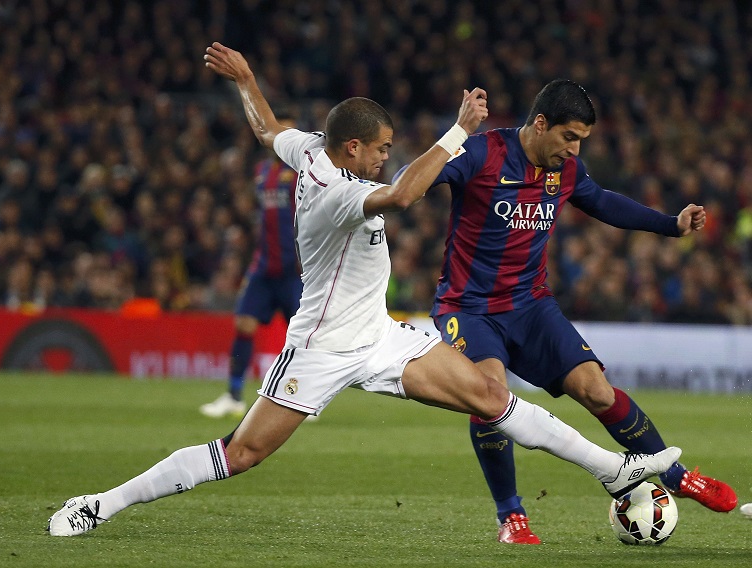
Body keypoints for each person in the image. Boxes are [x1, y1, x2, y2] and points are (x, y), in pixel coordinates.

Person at [47, 44, 681, 538]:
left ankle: (613, 469)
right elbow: (406, 194)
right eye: (380, 150)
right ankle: (100, 504)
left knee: (490, 395)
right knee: (239, 454)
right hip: (322, 346)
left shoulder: (312, 150)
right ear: (353, 149)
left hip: (378, 335)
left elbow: (269, 132)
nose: (386, 157)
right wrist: (458, 131)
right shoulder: (340, 194)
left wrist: (246, 82)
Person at [425, 78, 737, 544]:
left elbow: (605, 203)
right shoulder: (483, 154)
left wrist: (670, 225)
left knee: (598, 391)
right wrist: (452, 136)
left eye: (581, 141)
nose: (573, 150)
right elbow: (415, 180)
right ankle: (511, 515)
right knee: (488, 393)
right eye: (569, 137)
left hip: (531, 305)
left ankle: (675, 475)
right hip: (468, 308)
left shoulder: (566, 171)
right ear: (541, 123)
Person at [199, 123, 303, 419]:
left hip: (293, 270)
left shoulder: (301, 174)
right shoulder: (261, 172)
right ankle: (233, 395)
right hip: (262, 266)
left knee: (302, 337)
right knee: (244, 324)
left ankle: (305, 397)